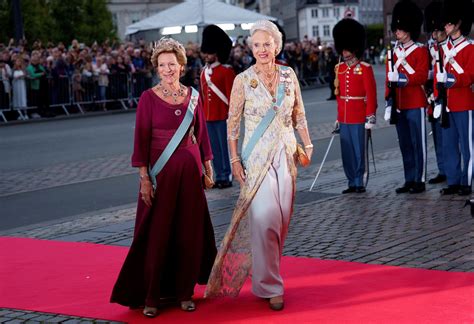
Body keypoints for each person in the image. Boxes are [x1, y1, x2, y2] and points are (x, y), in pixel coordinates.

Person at [205, 20, 313, 311]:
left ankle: (266, 269)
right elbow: (232, 125)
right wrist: (235, 160)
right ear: (250, 48)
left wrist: (308, 143)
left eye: (267, 44)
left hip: (286, 155)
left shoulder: (289, 76)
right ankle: (270, 284)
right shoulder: (242, 80)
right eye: (257, 45)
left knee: (279, 220)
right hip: (255, 159)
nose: (262, 50)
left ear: (276, 46)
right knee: (264, 217)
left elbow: (299, 113)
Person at [110, 37, 217, 318]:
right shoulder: (148, 98)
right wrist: (144, 178)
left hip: (190, 175)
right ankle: (152, 295)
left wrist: (208, 166)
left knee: (188, 233)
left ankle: (184, 293)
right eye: (162, 65)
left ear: (181, 66)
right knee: (157, 236)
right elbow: (141, 140)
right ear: (156, 68)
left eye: (172, 64)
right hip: (160, 177)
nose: (167, 69)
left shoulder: (193, 96)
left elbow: (202, 135)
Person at [384, 0, 428, 194]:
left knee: (418, 143)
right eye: (396, 29)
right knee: (405, 144)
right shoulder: (393, 52)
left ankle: (420, 179)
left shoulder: (420, 50)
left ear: (409, 29)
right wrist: (388, 101)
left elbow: (421, 75)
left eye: (400, 29)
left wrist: (402, 78)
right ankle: (409, 178)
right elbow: (388, 80)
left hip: (416, 102)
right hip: (399, 104)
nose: (397, 32)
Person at [333, 18, 377, 194]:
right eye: (342, 48)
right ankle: (351, 180)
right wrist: (338, 118)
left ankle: (360, 180)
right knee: (347, 152)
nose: (344, 52)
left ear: (354, 47)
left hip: (359, 116)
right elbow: (339, 96)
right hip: (345, 118)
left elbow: (371, 94)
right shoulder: (339, 69)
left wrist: (370, 115)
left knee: (360, 151)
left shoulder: (365, 68)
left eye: (347, 48)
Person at [436, 0, 473, 196]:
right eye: (446, 23)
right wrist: (435, 97)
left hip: (464, 102)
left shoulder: (469, 47)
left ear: (458, 23)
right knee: (448, 144)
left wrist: (453, 79)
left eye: (449, 23)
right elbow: (437, 75)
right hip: (447, 104)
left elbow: (470, 75)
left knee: (468, 146)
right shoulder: (443, 49)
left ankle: (467, 181)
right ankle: (453, 181)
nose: (446, 26)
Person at [200, 25, 236, 189]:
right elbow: (202, 97)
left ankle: (226, 176)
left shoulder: (226, 72)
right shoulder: (203, 73)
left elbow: (232, 97)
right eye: (205, 52)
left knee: (224, 148)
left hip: (223, 116)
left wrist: (233, 116)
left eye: (210, 52)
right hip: (208, 117)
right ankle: (218, 175)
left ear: (218, 52)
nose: (207, 55)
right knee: (213, 150)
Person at [424, 1, 447, 185]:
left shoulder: (449, 47)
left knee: (449, 136)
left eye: (437, 31)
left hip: (448, 96)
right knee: (437, 135)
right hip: (434, 97)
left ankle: (453, 169)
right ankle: (442, 169)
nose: (434, 35)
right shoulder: (429, 48)